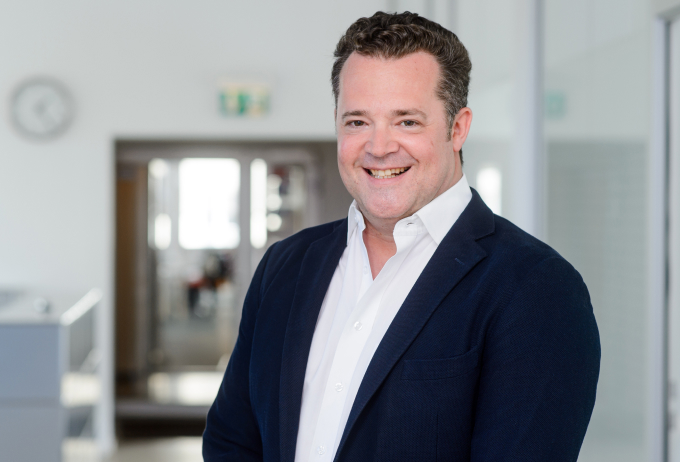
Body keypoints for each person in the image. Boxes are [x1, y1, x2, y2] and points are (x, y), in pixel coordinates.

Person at [203, 11, 600, 462]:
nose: (378, 146)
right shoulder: (285, 266)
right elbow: (231, 441)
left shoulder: (536, 289)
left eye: (406, 121)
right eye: (357, 122)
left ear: (458, 127)